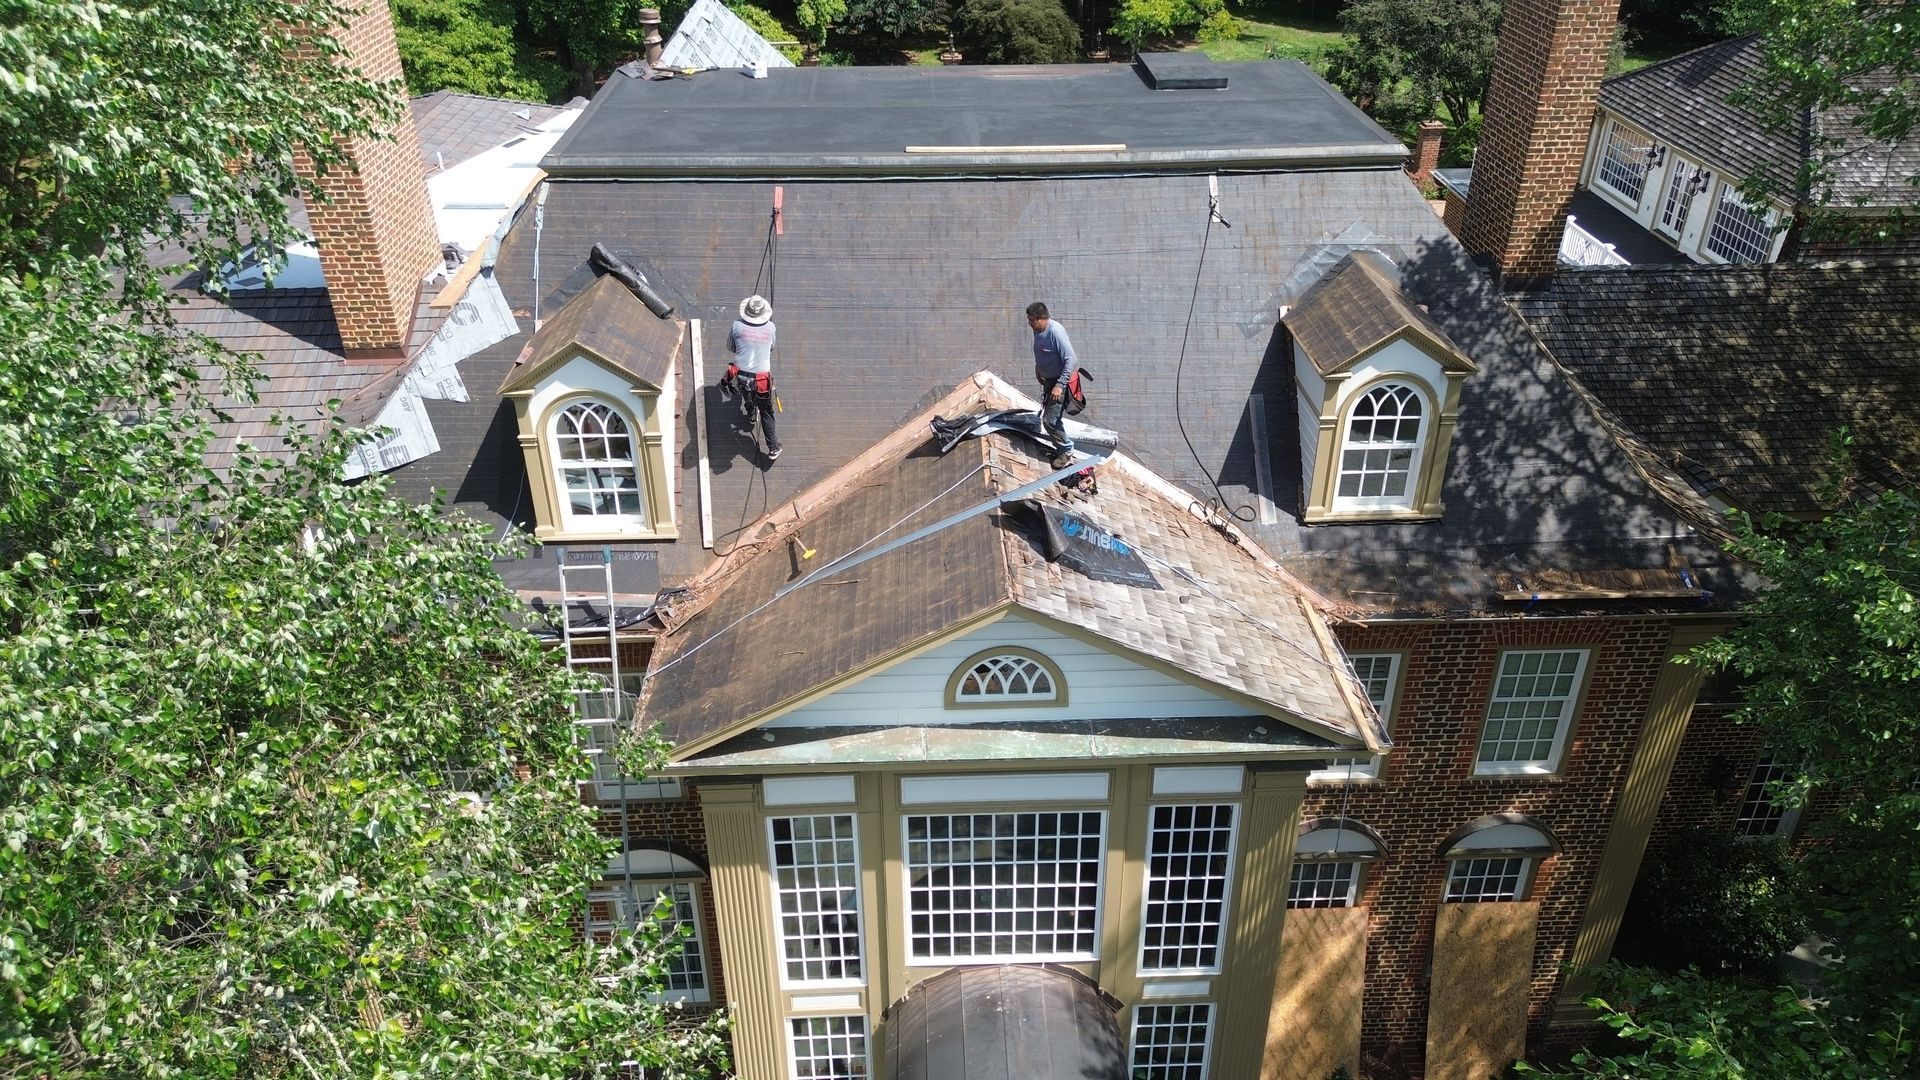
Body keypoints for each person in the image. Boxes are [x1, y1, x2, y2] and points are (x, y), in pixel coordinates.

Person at [727, 294, 781, 461]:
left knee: (746, 392)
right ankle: (773, 447)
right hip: (762, 377)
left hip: (742, 373)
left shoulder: (736, 326)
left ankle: (750, 411)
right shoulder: (771, 327)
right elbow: (771, 346)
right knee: (766, 410)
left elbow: (730, 346)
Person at [1027, 301, 1078, 466]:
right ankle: (1060, 448)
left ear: (1041, 318)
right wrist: (1039, 369)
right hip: (1050, 380)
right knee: (1049, 419)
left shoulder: (1055, 332)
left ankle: (1067, 452)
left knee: (1050, 420)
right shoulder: (1038, 330)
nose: (1029, 323)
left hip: (1059, 382)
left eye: (1032, 320)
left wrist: (1059, 385)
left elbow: (1071, 360)